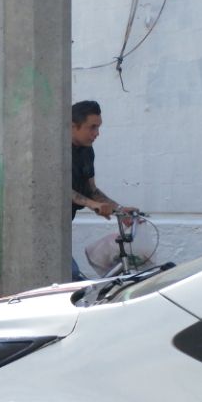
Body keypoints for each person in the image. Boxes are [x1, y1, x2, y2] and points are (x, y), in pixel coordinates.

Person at [71, 99, 136, 280]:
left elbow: (92, 190)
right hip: (41, 226)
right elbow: (59, 188)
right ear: (73, 126)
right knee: (71, 275)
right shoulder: (56, 151)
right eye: (92, 127)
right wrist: (93, 205)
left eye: (98, 127)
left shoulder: (87, 151)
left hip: (63, 225)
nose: (97, 133)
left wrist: (119, 210)